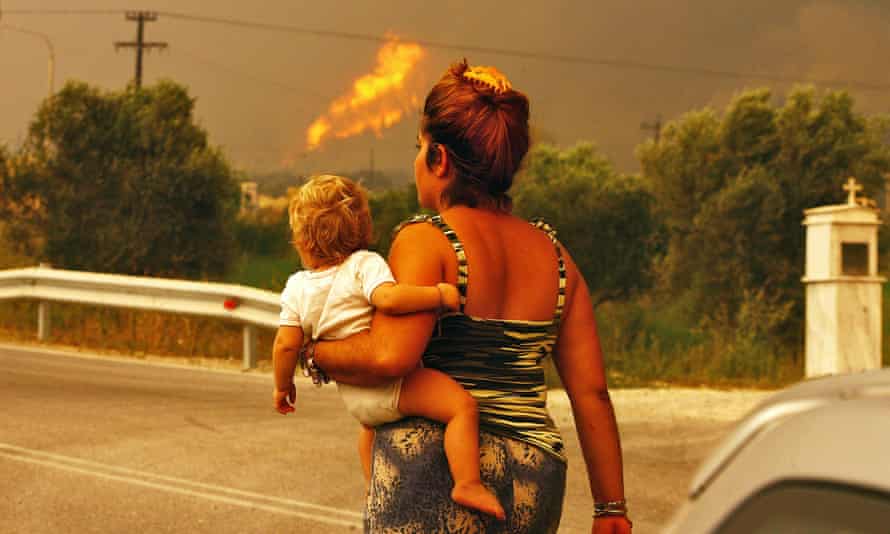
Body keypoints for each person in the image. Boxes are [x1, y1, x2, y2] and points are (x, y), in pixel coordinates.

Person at [302, 61, 632, 533]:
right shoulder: (558, 258)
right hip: (534, 474)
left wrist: (313, 352)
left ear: (439, 159)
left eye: (418, 148)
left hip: (435, 465)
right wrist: (610, 508)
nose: (416, 161)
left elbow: (391, 355)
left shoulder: (426, 240)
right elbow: (591, 393)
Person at [272, 174, 506, 520]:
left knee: (370, 430)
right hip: (390, 386)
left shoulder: (296, 287)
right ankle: (467, 482)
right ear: (362, 229)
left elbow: (285, 344)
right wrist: (437, 294)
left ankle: (374, 488)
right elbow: (390, 299)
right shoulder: (364, 264)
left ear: (302, 241)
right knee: (461, 408)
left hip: (356, 399)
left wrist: (283, 385)